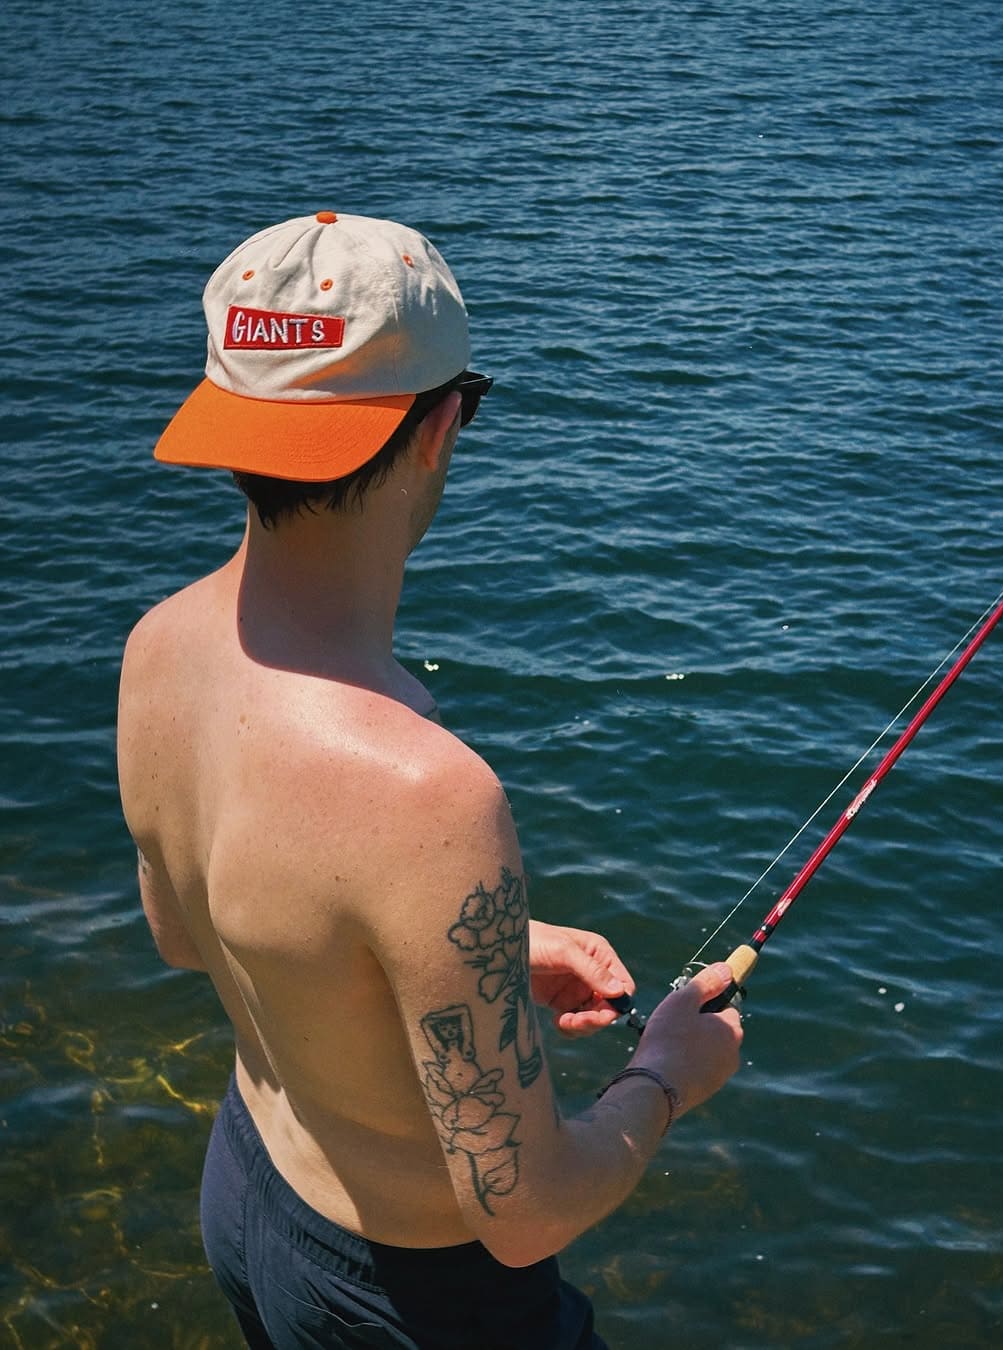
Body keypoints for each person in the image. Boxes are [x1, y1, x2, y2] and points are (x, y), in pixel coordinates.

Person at [117, 210, 744, 1350]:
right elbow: (525, 1210)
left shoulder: (155, 648)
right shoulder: (427, 790)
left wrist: (467, 945)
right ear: (442, 426)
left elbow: (185, 930)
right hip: (414, 1306)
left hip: (249, 1192)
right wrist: (665, 1074)